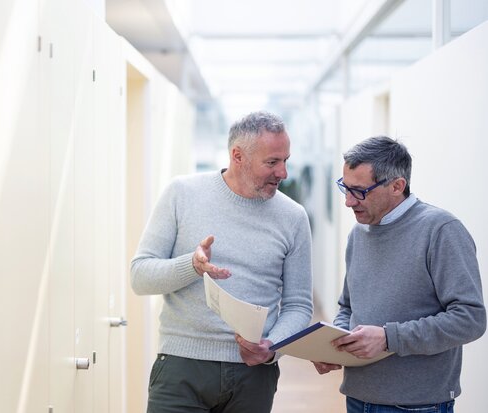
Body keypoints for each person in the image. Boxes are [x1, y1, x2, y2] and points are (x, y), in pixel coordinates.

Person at [131, 111, 313, 413]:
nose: (283, 173)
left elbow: (298, 305)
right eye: (272, 162)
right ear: (237, 156)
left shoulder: (293, 218)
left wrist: (272, 348)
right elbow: (140, 276)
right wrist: (191, 266)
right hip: (181, 369)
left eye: (286, 160)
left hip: (254, 375)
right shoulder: (182, 194)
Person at [314, 136, 486, 412]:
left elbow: (471, 319)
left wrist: (387, 338)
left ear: (397, 186)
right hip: (357, 397)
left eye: (358, 191)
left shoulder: (441, 231)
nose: (348, 202)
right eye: (345, 188)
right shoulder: (358, 234)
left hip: (417, 405)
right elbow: (348, 306)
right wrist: (336, 345)